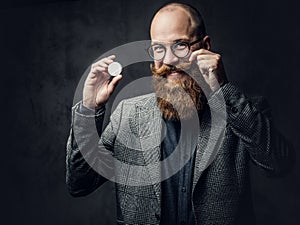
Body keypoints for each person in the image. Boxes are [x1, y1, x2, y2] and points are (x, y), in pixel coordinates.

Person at [66, 2, 293, 225]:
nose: (169, 60)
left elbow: (279, 164)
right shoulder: (128, 114)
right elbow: (80, 183)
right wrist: (89, 108)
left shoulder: (241, 110)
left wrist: (223, 89)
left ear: (205, 46)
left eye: (180, 45)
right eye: (158, 48)